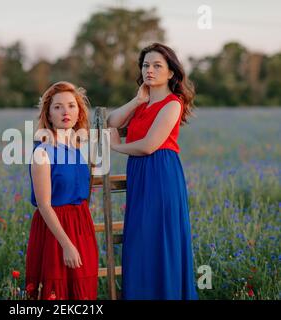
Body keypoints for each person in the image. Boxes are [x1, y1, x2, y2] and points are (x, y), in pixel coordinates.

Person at [107, 43, 199, 300]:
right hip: (141, 176)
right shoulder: (142, 104)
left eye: (158, 65)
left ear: (171, 73)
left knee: (158, 239)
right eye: (146, 65)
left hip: (161, 175)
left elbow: (149, 146)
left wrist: (116, 146)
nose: (150, 70)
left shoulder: (173, 104)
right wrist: (137, 100)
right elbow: (111, 120)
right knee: (140, 241)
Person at [25, 81, 99, 300]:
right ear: (48, 114)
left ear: (79, 112)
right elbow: (44, 205)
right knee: (57, 294)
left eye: (71, 105)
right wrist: (66, 244)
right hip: (55, 230)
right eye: (57, 107)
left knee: (84, 294)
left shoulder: (77, 148)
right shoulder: (43, 152)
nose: (65, 111)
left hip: (81, 224)